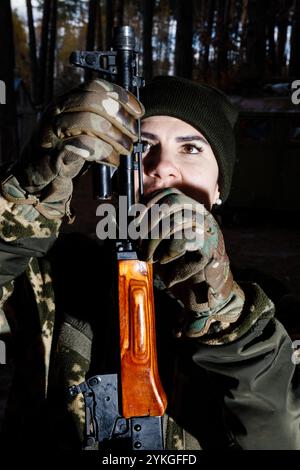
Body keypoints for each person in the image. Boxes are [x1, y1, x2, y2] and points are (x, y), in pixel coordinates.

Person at [0, 76, 299, 451]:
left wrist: (227, 319)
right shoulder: (57, 274)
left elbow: (283, 436)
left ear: (220, 186)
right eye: (142, 146)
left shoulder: (268, 313)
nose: (163, 168)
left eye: (191, 148)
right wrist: (24, 197)